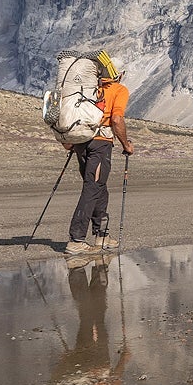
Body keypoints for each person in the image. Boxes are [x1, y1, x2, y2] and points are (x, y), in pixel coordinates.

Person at [66, 50, 133, 257]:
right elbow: (116, 120)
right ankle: (76, 239)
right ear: (118, 74)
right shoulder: (119, 90)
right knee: (92, 188)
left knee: (99, 188)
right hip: (100, 144)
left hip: (81, 143)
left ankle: (102, 235)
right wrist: (126, 144)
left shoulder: (88, 88)